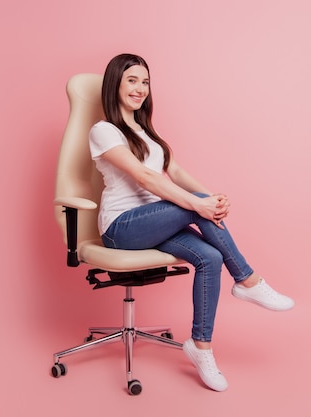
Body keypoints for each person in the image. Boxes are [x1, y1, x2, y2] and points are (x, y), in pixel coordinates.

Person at [89, 53, 294, 392]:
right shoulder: (104, 130)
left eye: (145, 82)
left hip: (155, 222)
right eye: (132, 80)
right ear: (115, 84)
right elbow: (144, 177)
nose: (140, 89)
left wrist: (211, 198)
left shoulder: (145, 132)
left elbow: (176, 173)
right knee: (197, 205)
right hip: (121, 227)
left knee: (210, 258)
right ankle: (247, 279)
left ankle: (200, 347)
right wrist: (201, 205)